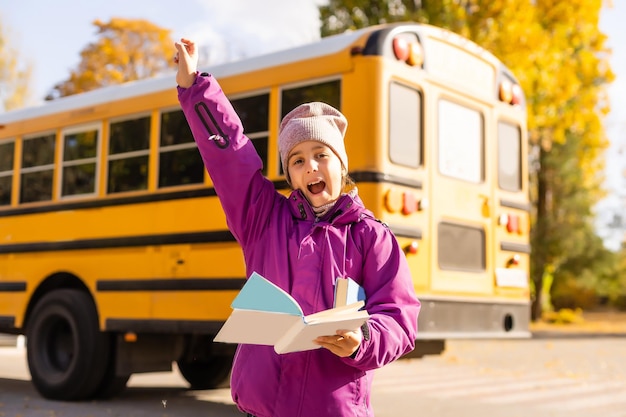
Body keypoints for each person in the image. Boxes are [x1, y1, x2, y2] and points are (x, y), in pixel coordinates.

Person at [174, 38, 420, 417]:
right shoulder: (263, 219)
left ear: (341, 165)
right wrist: (195, 88)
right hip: (261, 408)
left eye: (322, 155)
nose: (311, 167)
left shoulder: (372, 237)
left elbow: (399, 318)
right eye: (298, 160)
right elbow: (230, 155)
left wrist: (363, 340)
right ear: (290, 175)